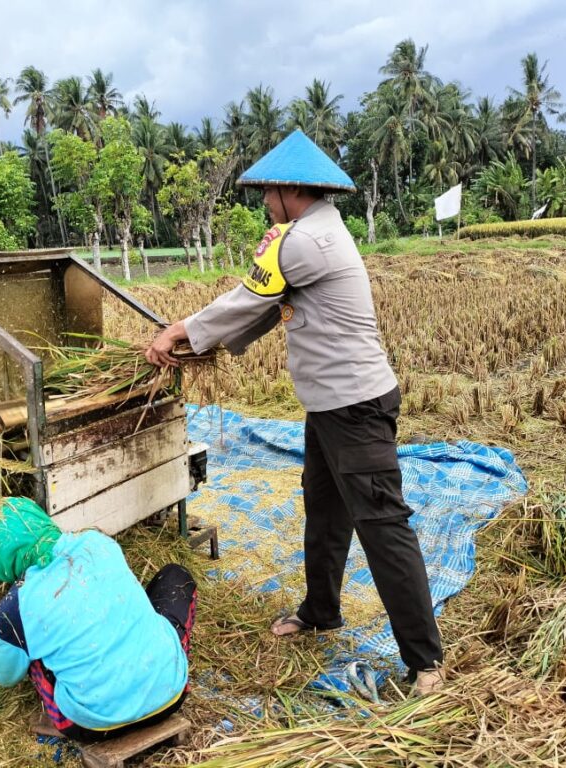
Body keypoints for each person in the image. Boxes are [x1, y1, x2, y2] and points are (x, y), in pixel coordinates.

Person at [145, 130, 444, 695]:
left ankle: (425, 661)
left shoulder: (304, 241)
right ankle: (321, 610)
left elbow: (248, 301)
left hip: (354, 406)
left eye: (266, 192)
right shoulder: (314, 230)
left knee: (383, 526)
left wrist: (183, 331)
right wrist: (199, 345)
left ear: (288, 189)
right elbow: (267, 310)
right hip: (331, 407)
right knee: (325, 510)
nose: (263, 203)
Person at [0, 497, 195, 742]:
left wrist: (0, 635)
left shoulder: (15, 607)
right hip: (169, 695)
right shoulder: (97, 541)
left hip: (94, 726)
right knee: (176, 576)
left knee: (29, 651)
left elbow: (4, 675)